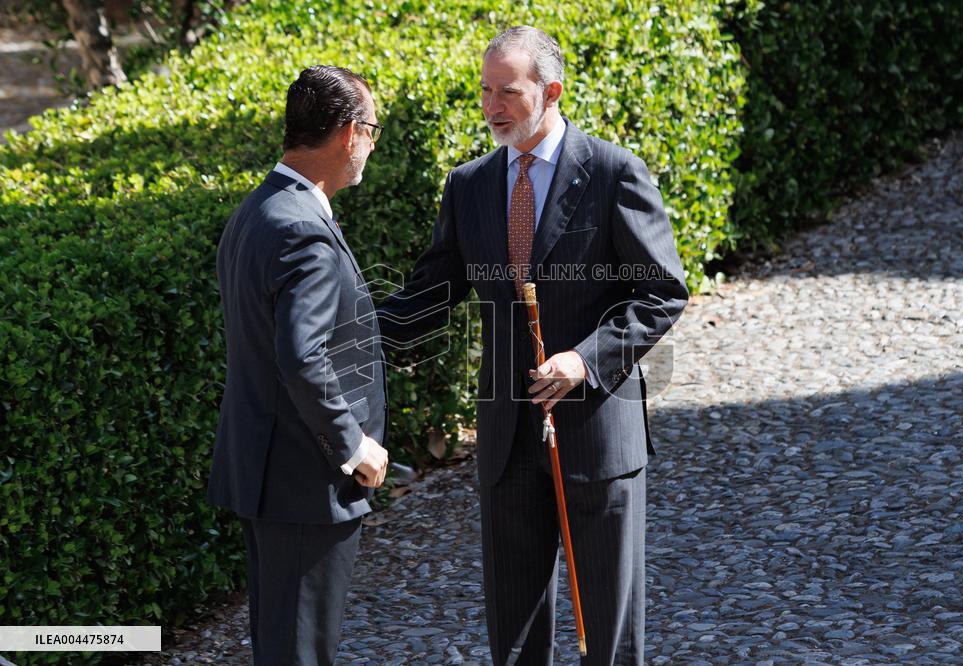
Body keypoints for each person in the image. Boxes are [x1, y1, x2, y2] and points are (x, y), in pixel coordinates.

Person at [377, 26, 688, 665]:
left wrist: (584, 359)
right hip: (506, 439)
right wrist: (340, 323)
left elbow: (662, 293)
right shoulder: (468, 185)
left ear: (551, 91)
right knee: (513, 636)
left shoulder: (612, 173)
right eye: (485, 90)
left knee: (610, 634)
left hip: (598, 433)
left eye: (507, 92)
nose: (492, 105)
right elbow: (429, 295)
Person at [208, 65, 389, 666]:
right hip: (304, 480)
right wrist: (353, 446)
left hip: (271, 473)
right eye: (372, 130)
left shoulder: (258, 209)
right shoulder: (301, 229)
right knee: (300, 652)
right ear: (347, 134)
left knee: (283, 646)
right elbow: (302, 357)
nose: (371, 146)